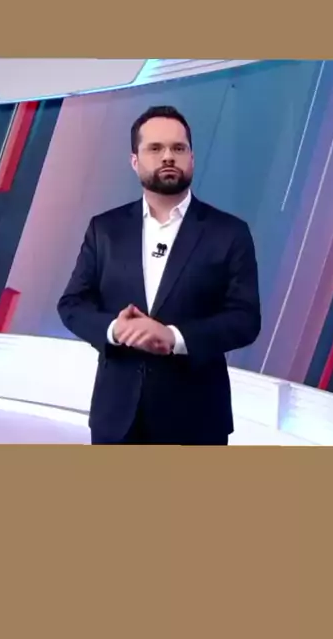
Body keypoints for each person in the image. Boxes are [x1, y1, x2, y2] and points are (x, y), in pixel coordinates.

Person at [58, 106, 261, 445]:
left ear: (191, 158)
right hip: (116, 418)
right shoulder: (104, 229)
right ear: (134, 160)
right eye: (155, 148)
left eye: (178, 148)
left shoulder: (229, 233)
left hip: (196, 421)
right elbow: (72, 304)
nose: (168, 156)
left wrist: (174, 337)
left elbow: (245, 319)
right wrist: (115, 329)